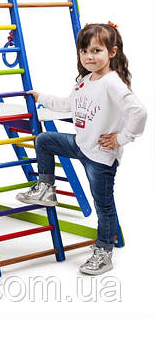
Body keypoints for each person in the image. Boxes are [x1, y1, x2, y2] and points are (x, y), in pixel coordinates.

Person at [16, 23, 147, 275]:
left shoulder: (112, 83)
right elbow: (68, 105)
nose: (89, 56)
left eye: (96, 50)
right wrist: (41, 97)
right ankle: (46, 188)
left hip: (100, 157)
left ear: (112, 52)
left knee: (103, 206)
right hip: (80, 144)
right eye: (84, 51)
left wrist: (122, 138)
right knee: (44, 140)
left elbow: (138, 111)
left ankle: (104, 251)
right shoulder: (86, 81)